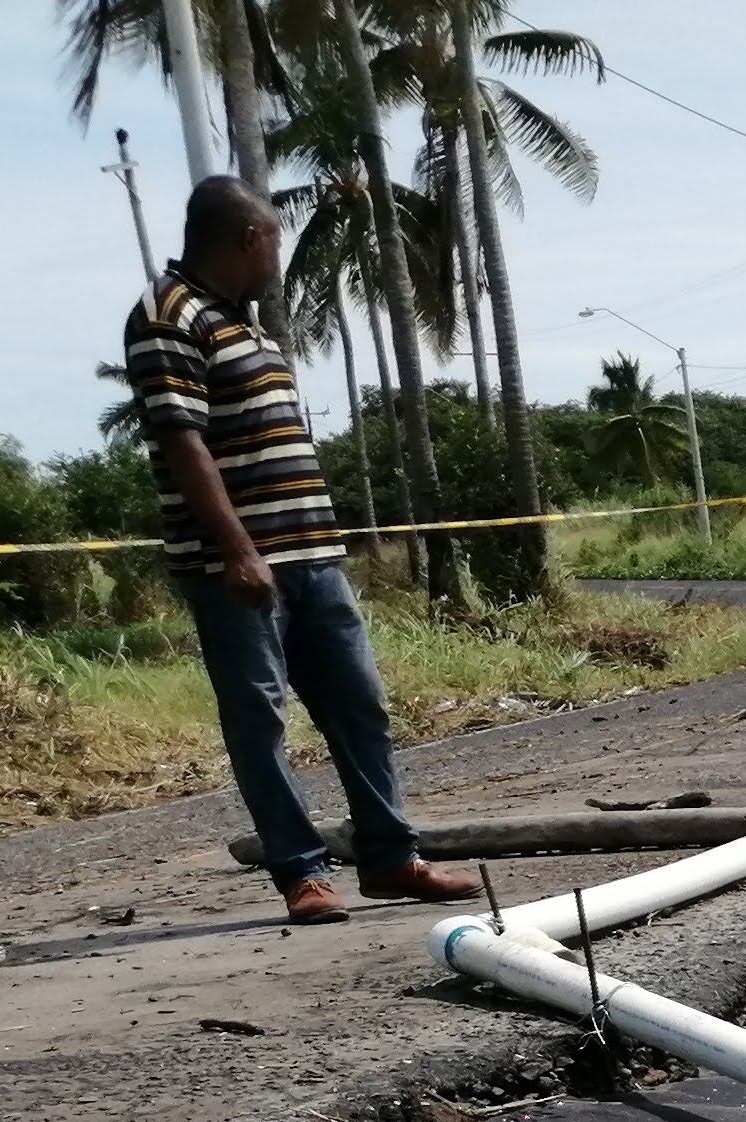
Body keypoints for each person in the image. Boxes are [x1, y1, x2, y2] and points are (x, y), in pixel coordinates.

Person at [123, 176, 477, 927]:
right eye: (275, 243)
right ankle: (301, 873)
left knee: (361, 708)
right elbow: (184, 444)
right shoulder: (167, 315)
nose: (277, 259)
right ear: (251, 238)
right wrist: (239, 551)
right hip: (244, 568)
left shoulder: (244, 325)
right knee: (261, 720)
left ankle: (390, 857)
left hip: (315, 557)